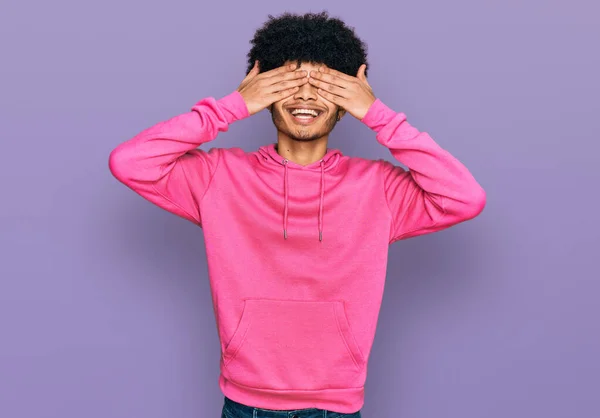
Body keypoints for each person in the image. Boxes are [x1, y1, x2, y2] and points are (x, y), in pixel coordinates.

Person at [109, 10, 486, 418]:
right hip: (246, 404)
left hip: (336, 406)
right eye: (290, 82)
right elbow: (130, 162)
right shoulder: (218, 177)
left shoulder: (378, 188)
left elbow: (465, 197)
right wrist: (232, 106)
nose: (305, 96)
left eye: (323, 85)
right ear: (266, 93)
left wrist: (378, 114)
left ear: (346, 105)